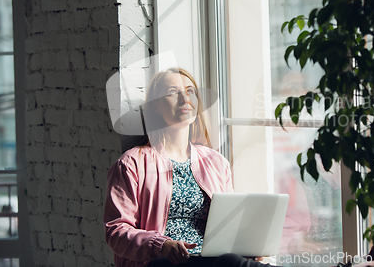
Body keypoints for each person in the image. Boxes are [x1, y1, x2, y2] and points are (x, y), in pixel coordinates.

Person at [104, 68, 277, 267]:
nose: (184, 99)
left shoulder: (216, 162)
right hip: (158, 261)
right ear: (156, 107)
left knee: (231, 260)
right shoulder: (131, 163)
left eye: (190, 91)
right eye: (172, 92)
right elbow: (116, 230)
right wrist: (162, 245)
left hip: (209, 258)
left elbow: (230, 222)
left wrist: (245, 247)